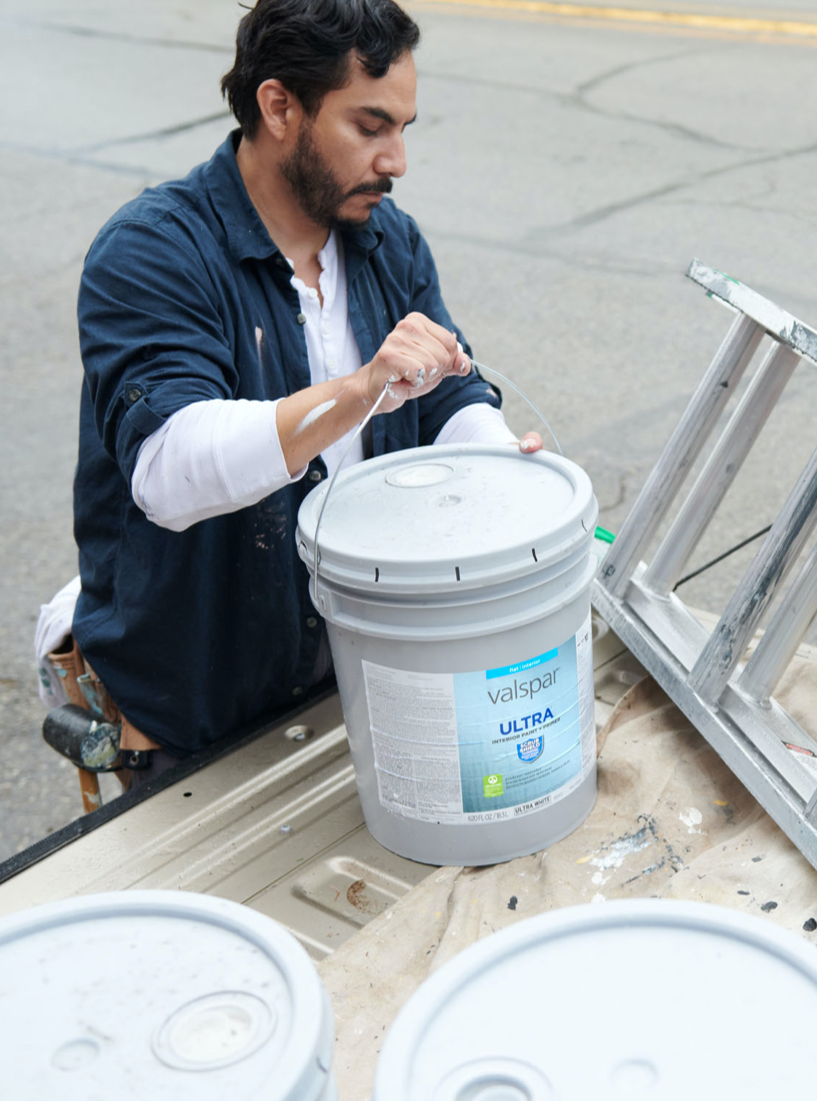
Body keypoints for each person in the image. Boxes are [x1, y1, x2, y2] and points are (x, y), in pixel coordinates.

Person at [51, 0, 540, 781]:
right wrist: (360, 390)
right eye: (369, 127)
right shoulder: (155, 249)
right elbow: (170, 469)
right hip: (195, 720)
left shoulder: (387, 240)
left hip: (351, 676)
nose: (396, 162)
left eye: (404, 130)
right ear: (279, 106)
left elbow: (447, 394)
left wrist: (504, 473)